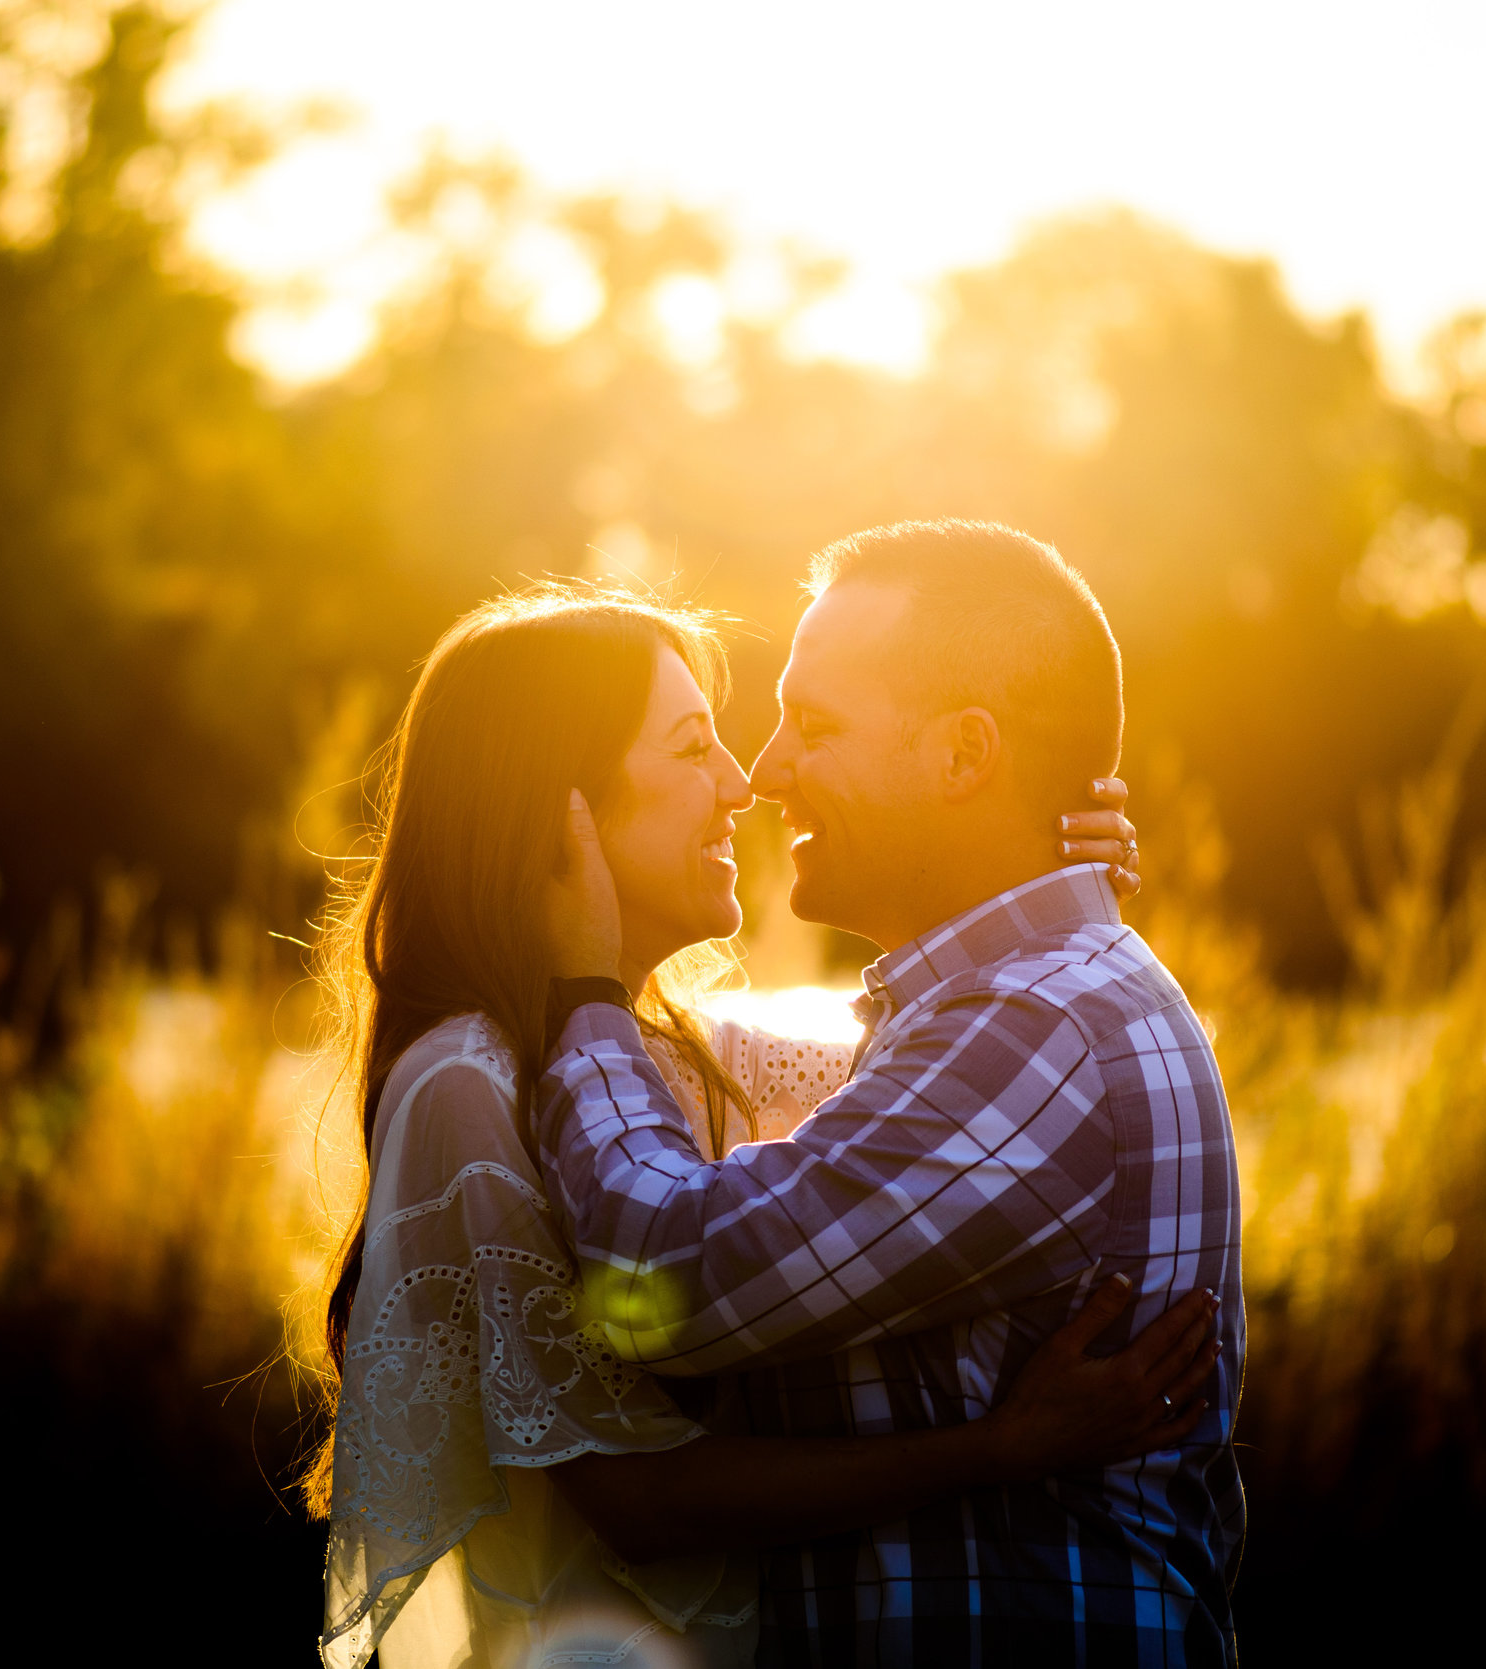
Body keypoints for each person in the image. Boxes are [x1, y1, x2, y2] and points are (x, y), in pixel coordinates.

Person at [311, 581, 1210, 1669]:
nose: (748, 782)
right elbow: (635, 1502)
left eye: (802, 731)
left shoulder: (669, 1054)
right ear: (558, 807)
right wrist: (993, 1449)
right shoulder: (471, 1080)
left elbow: (947, 1073)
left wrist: (1036, 864)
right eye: (696, 749)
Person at [538, 522, 1245, 1666]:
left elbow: (659, 1272)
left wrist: (581, 989)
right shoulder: (995, 1008)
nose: (762, 773)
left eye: (812, 727)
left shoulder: (1032, 1030)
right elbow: (754, 1100)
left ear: (966, 754)